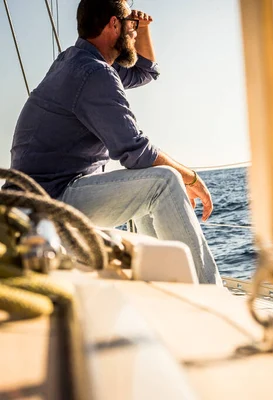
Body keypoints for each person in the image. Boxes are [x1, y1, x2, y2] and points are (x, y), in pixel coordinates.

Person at [4, 0, 221, 285]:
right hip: (51, 203)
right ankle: (210, 290)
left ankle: (166, 281)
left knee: (148, 180)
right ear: (113, 24)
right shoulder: (93, 73)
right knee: (163, 181)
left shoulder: (74, 61)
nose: (132, 30)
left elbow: (145, 71)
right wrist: (191, 178)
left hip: (34, 199)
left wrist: (141, 30)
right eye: (128, 23)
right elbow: (136, 152)